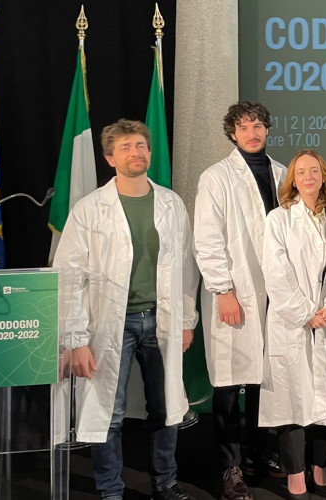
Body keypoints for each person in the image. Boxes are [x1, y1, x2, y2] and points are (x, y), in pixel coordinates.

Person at [55, 119, 199, 500]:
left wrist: (186, 320)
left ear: (149, 152)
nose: (135, 152)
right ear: (109, 158)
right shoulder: (90, 209)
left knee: (166, 408)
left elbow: (186, 267)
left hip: (161, 321)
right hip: (111, 325)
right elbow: (68, 276)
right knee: (109, 412)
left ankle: (165, 483)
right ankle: (110, 491)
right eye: (125, 147)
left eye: (140, 146)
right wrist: (76, 339)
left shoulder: (171, 204)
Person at [194, 101, 287, 500]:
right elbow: (207, 239)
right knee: (231, 383)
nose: (252, 133)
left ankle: (259, 451)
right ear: (232, 133)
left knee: (266, 377)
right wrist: (223, 290)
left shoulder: (283, 173)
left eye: (258, 125)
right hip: (237, 292)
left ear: (267, 129)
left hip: (275, 293)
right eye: (244, 127)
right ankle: (230, 467)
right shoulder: (217, 177)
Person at [259, 149, 326, 499]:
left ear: (323, 176)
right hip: (292, 324)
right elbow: (276, 274)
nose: (308, 176)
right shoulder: (279, 219)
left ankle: (320, 468)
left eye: (314, 170)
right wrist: (307, 312)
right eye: (301, 171)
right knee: (292, 401)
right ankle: (295, 474)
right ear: (292, 179)